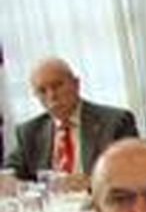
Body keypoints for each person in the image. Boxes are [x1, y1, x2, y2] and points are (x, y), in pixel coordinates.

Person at [4, 57, 138, 186]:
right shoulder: (29, 131)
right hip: (51, 206)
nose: (51, 96)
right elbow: (10, 174)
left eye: (57, 86)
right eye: (42, 91)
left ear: (76, 84)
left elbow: (131, 173)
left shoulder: (116, 122)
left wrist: (90, 183)